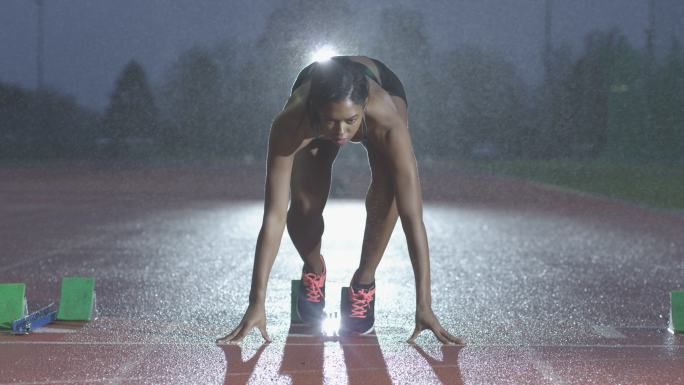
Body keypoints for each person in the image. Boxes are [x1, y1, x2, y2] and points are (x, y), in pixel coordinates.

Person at [217, 55, 464, 345]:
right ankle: (314, 271)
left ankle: (363, 283)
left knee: (390, 194)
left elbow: (413, 217)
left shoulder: (386, 120)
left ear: (363, 108)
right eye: (331, 122)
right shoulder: (291, 122)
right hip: (314, 94)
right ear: (315, 111)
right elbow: (274, 215)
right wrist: (256, 302)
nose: (341, 133)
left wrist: (424, 305)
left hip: (381, 85)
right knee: (305, 202)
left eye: (350, 121)